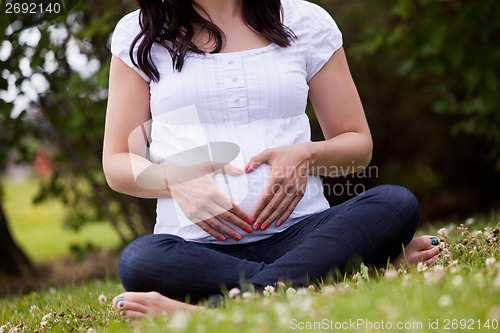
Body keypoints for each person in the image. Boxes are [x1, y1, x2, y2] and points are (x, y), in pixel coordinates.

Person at [103, 0, 441, 320]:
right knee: (139, 260)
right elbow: (117, 162)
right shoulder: (139, 33)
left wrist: (305, 155)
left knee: (396, 203)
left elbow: (357, 145)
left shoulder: (306, 21)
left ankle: (220, 308)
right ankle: (345, 276)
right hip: (198, 251)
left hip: (304, 236)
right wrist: (174, 179)